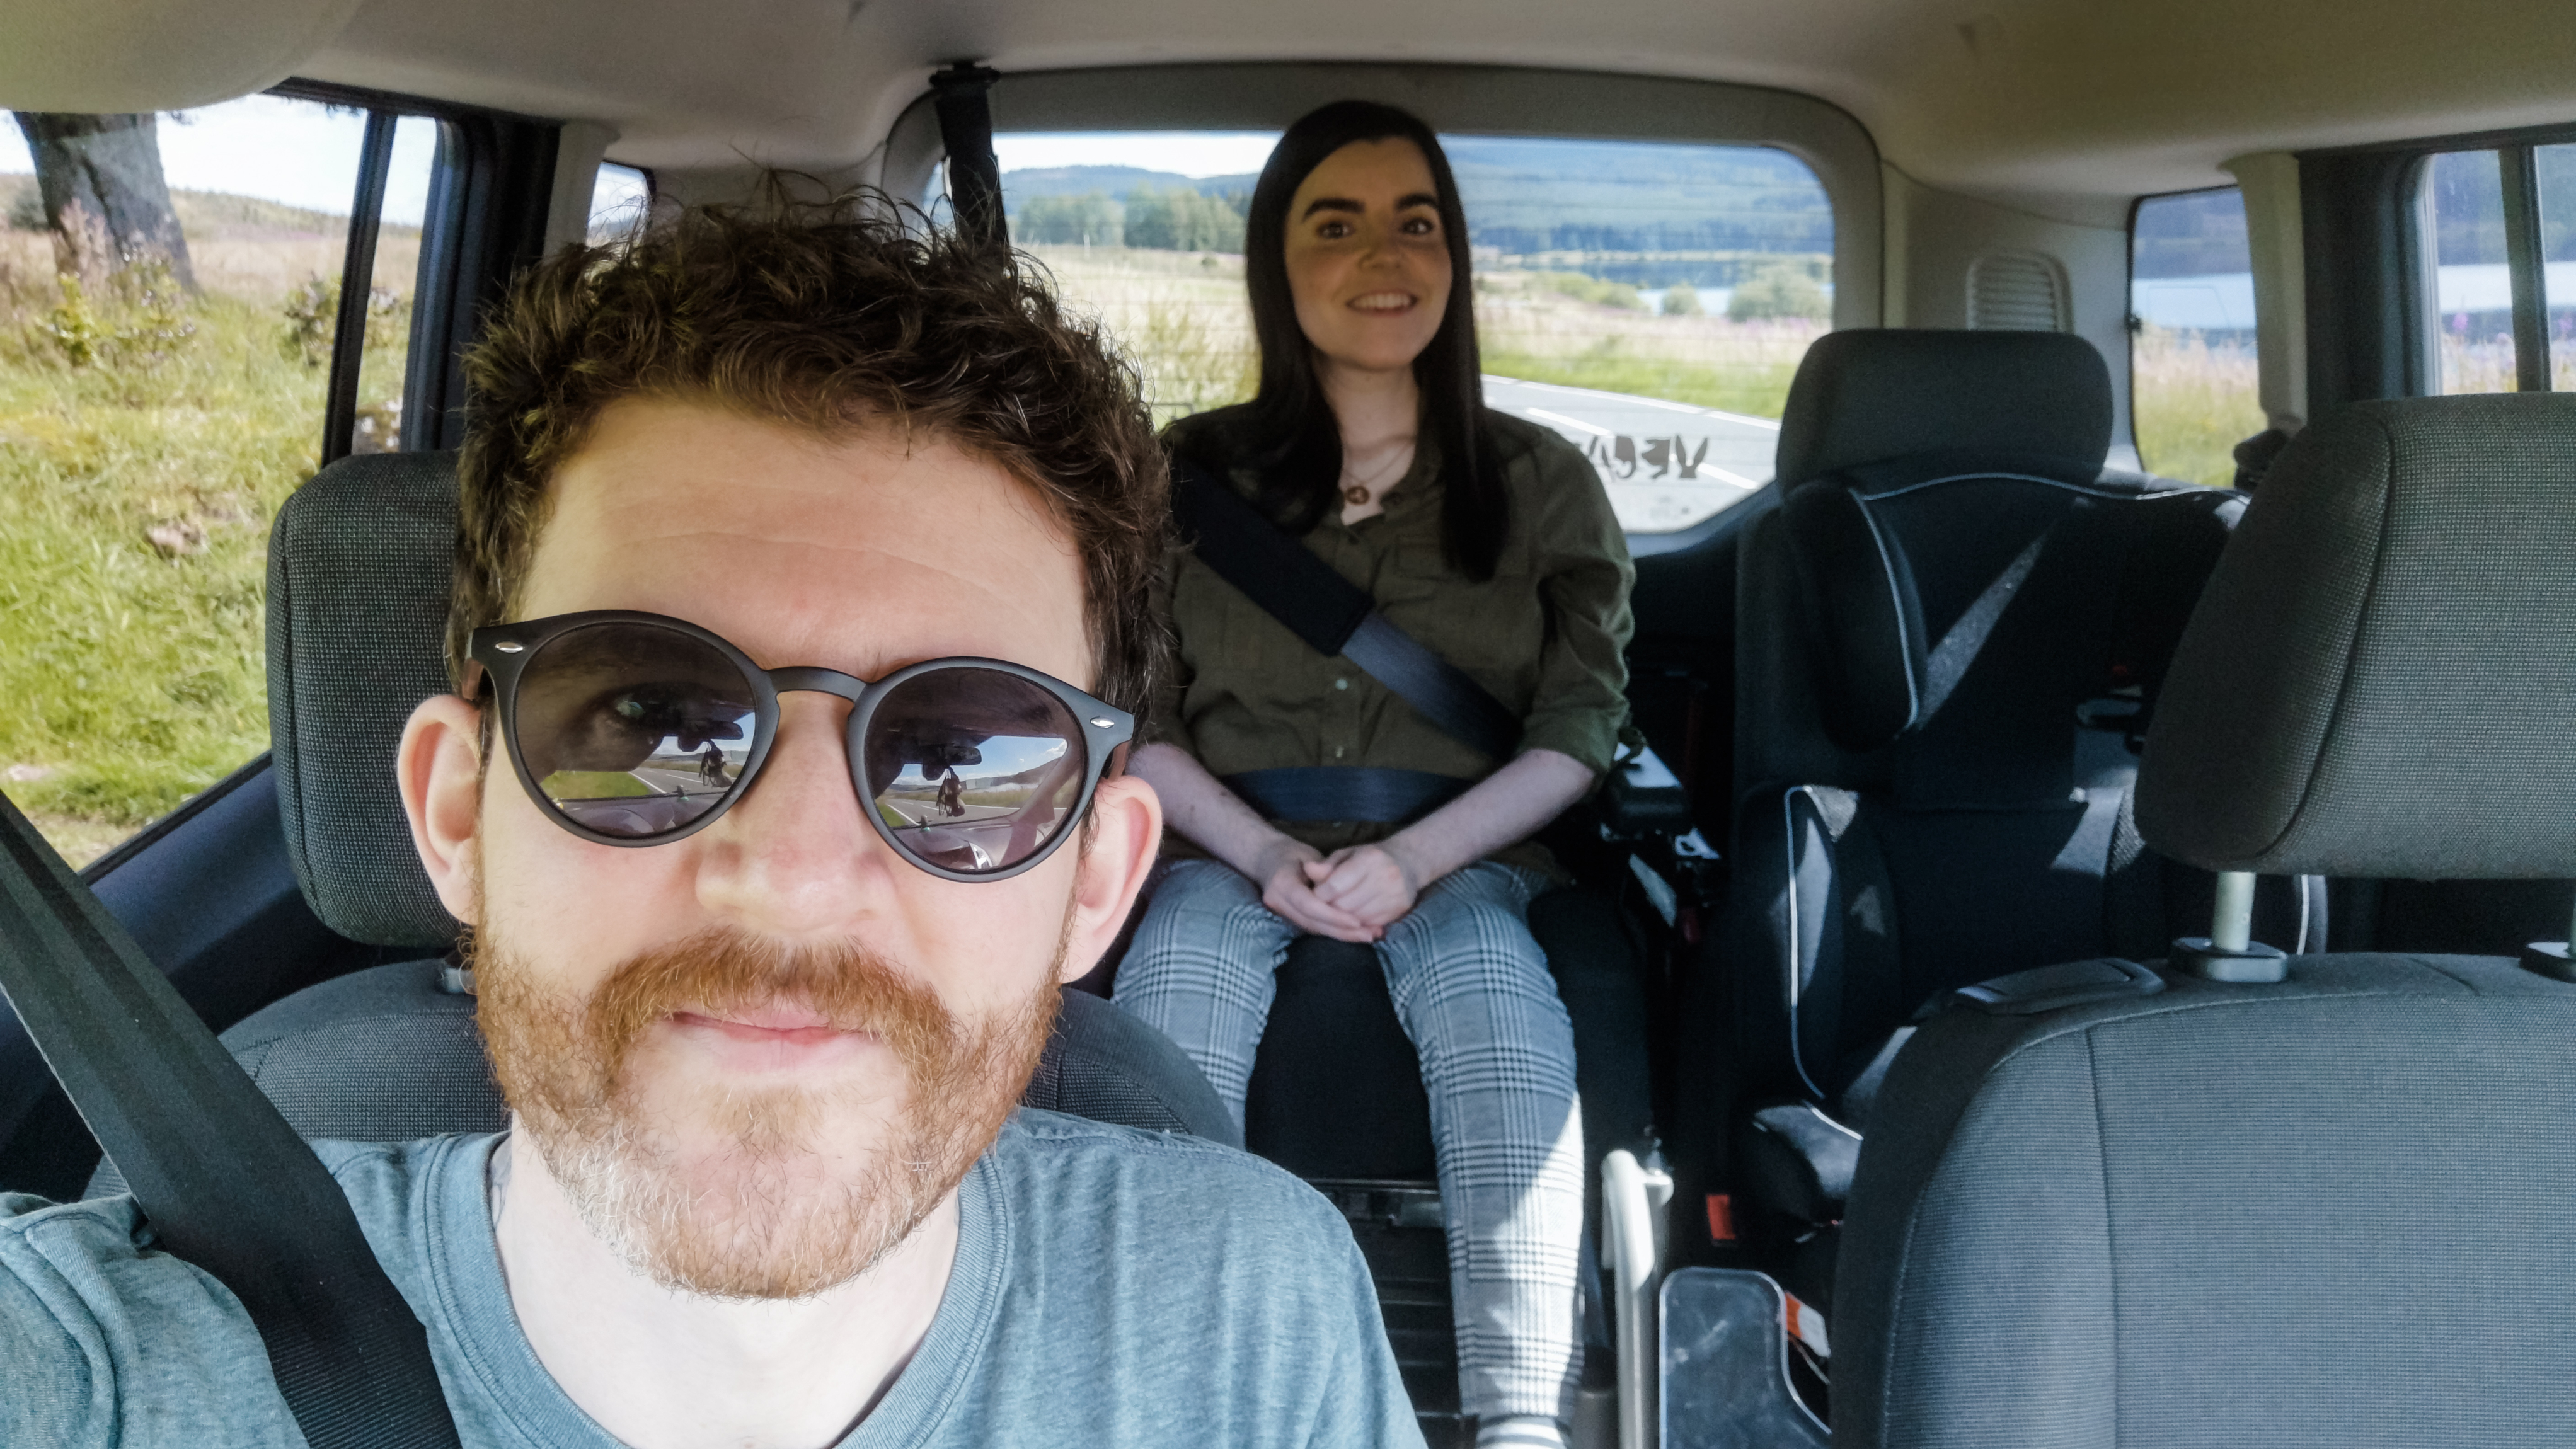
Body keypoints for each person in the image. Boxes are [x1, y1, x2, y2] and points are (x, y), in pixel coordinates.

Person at [0, 198, 1422, 1447]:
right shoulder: (98, 1368)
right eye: (645, 722)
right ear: (457, 812)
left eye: (959, 756)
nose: (791, 879)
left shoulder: (1260, 1318)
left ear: (1095, 884)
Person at [1112, 102, 1636, 1448]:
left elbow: (1578, 730)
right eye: (1334, 225)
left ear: (1453, 257)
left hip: (1467, 851)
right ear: (1277, 263)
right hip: (1229, 842)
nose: (1382, 256)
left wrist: (1413, 859)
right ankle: (1171, 1396)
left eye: (1417, 222)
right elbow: (1138, 718)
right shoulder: (1184, 477)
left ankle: (1519, 1418)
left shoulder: (1541, 482)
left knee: (1492, 993)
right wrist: (1263, 855)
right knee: (1178, 978)